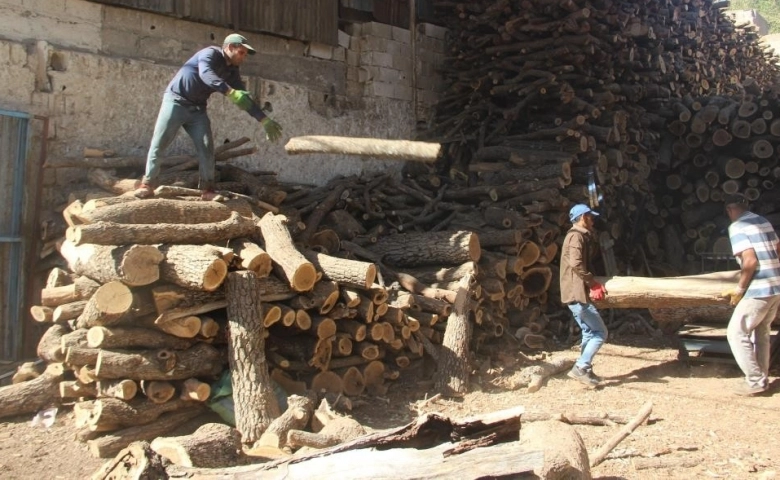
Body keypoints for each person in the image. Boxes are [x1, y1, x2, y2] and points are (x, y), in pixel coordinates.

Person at [134, 33, 282, 201]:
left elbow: (244, 98)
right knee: (159, 143)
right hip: (175, 102)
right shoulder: (210, 54)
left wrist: (263, 119)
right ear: (229, 47)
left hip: (197, 110)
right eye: (241, 52)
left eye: (245, 54)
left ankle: (208, 190)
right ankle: (147, 184)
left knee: (206, 148)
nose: (244, 58)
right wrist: (230, 92)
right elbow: (206, 75)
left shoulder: (232, 71)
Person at [722, 193, 780, 396]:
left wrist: (739, 289)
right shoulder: (762, 221)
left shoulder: (736, 227)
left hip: (759, 288)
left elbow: (750, 261)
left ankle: (755, 381)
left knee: (736, 332)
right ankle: (761, 379)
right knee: (762, 331)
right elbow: (778, 248)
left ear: (729, 210)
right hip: (775, 286)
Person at [560, 204, 608, 386]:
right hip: (576, 293)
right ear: (582, 218)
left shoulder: (580, 236)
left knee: (588, 332)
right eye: (590, 216)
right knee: (600, 332)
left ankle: (585, 371)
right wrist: (593, 283)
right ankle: (580, 367)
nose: (593, 220)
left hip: (575, 292)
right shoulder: (575, 237)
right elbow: (576, 264)